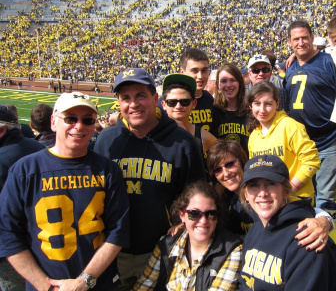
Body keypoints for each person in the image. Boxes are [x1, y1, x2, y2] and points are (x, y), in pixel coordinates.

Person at [0, 92, 130, 291]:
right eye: (70, 118)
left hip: (97, 284)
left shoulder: (108, 170)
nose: (79, 126)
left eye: (87, 120)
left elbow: (117, 232)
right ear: (53, 122)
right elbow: (7, 235)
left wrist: (84, 281)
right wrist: (46, 287)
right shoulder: (24, 170)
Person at [94, 67, 204, 290]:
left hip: (161, 251)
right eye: (126, 98)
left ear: (155, 99)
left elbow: (197, 196)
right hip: (111, 253)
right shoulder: (106, 140)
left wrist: (180, 224)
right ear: (118, 103)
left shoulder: (182, 142)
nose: (133, 104)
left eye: (141, 96)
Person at [237, 155, 336, 291]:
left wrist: (325, 220)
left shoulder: (307, 239)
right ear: (245, 194)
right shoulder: (254, 231)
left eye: (271, 183)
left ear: (286, 191)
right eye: (254, 185)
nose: (262, 193)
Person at [133, 180, 242, 291]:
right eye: (194, 214)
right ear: (182, 215)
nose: (203, 221)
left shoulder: (232, 250)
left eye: (210, 214)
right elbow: (144, 286)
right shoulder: (166, 246)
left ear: (217, 216)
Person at [284, 20, 336, 206]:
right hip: (301, 144)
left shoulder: (329, 61)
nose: (300, 43)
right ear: (289, 42)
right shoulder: (291, 67)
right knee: (303, 196)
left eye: (304, 38)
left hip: (326, 139)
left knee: (325, 197)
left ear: (312, 38)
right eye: (296, 39)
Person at [247, 81, 319, 200]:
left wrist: (290, 189)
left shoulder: (290, 126)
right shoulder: (253, 136)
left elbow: (312, 162)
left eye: (268, 104)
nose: (262, 109)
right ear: (250, 106)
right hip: (268, 202)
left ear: (277, 104)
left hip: (295, 201)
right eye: (257, 103)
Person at [0, 104, 45, 291]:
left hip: (12, 253)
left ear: (2, 130)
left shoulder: (3, 159)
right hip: (42, 243)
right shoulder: (37, 147)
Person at [161, 73, 217, 177]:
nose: (178, 106)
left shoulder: (204, 137)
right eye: (172, 102)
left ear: (194, 104)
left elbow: (225, 159)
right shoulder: (154, 133)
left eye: (185, 102)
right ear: (164, 105)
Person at [159, 48, 214, 132]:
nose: (200, 76)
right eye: (194, 71)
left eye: (204, 70)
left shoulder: (209, 99)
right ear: (182, 72)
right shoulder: (166, 104)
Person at [211, 63, 249, 154]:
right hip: (222, 166)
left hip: (247, 166)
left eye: (233, 80)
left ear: (240, 82)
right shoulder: (213, 112)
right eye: (224, 81)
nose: (228, 85)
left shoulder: (251, 111)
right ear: (218, 85)